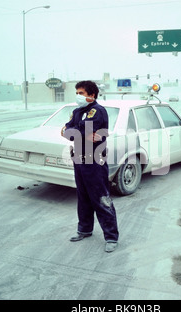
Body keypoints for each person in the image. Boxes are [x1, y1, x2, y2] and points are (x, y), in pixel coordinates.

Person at [61, 80, 119, 252]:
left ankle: (111, 237)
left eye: (81, 93)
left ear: (92, 95)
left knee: (100, 198)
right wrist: (76, 132)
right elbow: (68, 131)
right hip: (79, 159)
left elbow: (79, 131)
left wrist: (76, 132)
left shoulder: (98, 111)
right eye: (77, 92)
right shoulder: (77, 111)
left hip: (94, 161)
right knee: (83, 197)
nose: (78, 96)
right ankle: (84, 229)